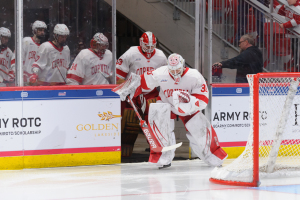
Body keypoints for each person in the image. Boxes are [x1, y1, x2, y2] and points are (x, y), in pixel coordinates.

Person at [113, 53, 228, 169]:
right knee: (158, 120)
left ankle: (213, 157)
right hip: (166, 102)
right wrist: (129, 88)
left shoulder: (194, 76)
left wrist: (190, 101)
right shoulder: (161, 72)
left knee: (200, 127)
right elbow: (143, 82)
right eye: (172, 70)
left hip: (187, 106)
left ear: (182, 65)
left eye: (177, 69)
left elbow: (203, 99)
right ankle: (163, 158)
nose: (175, 73)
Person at [11, 20, 47, 85]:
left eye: (43, 30)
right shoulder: (26, 41)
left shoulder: (44, 46)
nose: (42, 32)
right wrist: (20, 74)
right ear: (34, 31)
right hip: (24, 81)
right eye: (40, 30)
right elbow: (15, 60)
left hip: (37, 82)